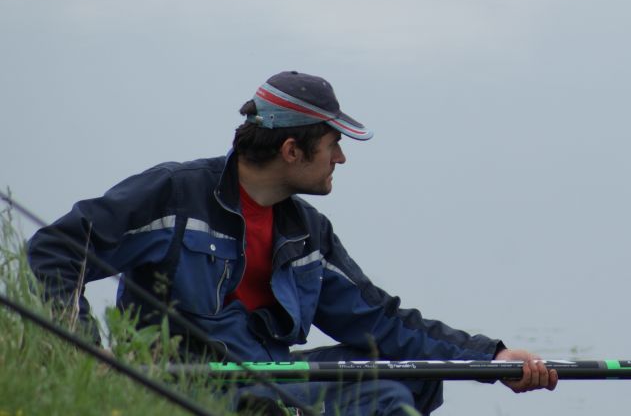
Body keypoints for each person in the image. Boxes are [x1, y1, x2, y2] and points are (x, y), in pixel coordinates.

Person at [27, 71, 557, 415]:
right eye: (334, 145)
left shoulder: (309, 232)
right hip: (188, 391)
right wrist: (85, 348)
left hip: (270, 384)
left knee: (409, 379)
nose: (341, 159)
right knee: (385, 394)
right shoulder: (172, 194)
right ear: (291, 150)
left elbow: (382, 324)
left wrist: (492, 357)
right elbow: (55, 250)